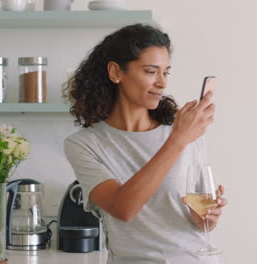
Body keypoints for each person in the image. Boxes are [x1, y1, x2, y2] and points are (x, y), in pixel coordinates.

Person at [62, 23, 228, 264]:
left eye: (166, 72)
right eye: (151, 72)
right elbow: (123, 208)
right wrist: (177, 140)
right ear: (116, 72)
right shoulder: (85, 144)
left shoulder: (184, 132)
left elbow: (201, 223)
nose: (162, 83)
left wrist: (208, 217)